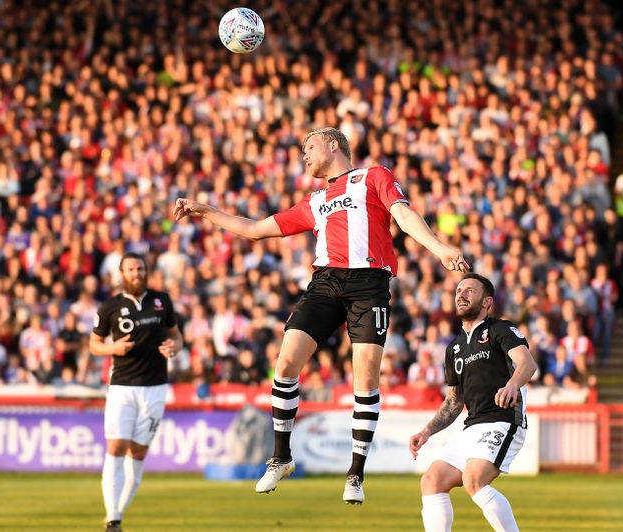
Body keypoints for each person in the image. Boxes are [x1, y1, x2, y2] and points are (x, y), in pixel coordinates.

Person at [173, 127, 469, 503]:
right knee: (285, 363)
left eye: (309, 147)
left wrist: (440, 249)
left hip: (369, 283)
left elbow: (404, 216)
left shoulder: (374, 177)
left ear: (333, 145)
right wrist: (206, 211)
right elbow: (255, 230)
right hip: (326, 282)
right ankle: (281, 457)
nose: (304, 155)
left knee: (366, 376)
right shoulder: (315, 201)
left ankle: (355, 474)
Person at [409, 273, 537, 532]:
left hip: (503, 420)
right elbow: (453, 402)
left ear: (487, 301)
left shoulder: (500, 329)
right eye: (458, 291)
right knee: (432, 479)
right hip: (472, 426)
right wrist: (427, 431)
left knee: (474, 479)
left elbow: (527, 363)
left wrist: (512, 384)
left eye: (469, 290)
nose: (461, 294)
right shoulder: (454, 349)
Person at [89, 252, 183, 532]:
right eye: (130, 269)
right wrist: (113, 348)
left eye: (140, 268)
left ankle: (118, 512)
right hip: (122, 385)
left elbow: (176, 335)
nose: (136, 273)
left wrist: (175, 347)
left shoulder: (161, 301)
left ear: (146, 271)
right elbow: (94, 344)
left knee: (138, 452)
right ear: (121, 274)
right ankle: (113, 517)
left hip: (155, 386)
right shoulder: (109, 307)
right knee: (116, 447)